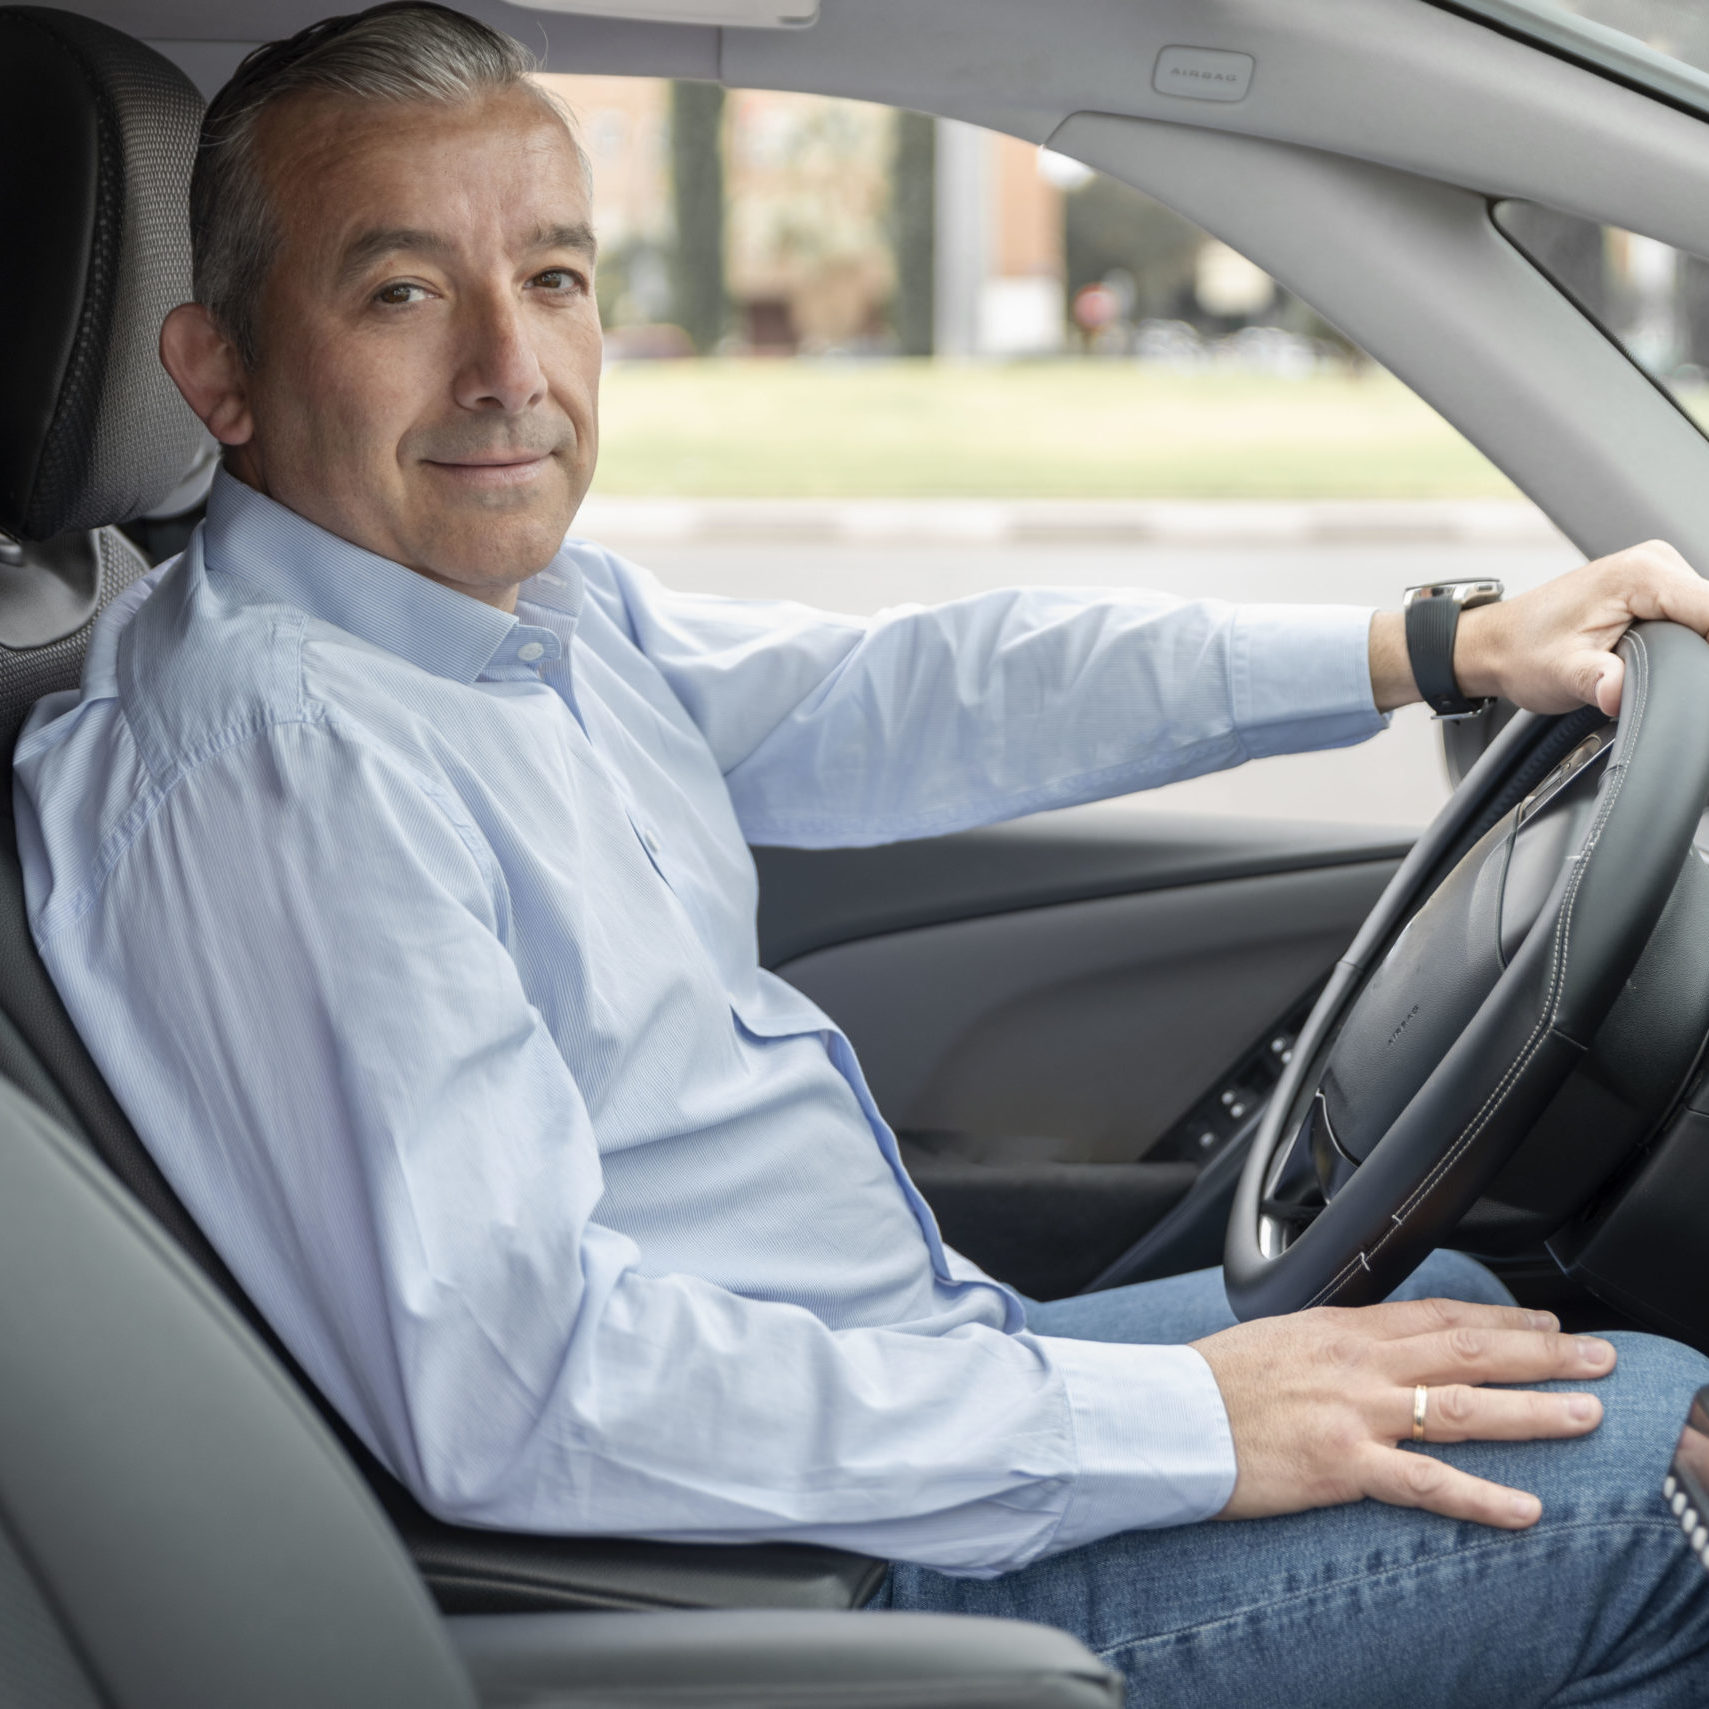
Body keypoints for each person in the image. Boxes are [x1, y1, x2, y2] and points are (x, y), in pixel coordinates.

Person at [15, 5, 1709, 1701]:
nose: (508, 370)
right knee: (1668, 1490)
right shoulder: (292, 766)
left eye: (551, 277)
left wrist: (1427, 644)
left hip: (874, 1405)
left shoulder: (497, 622)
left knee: (1496, 1318)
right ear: (216, 373)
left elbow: (906, 690)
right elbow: (520, 1388)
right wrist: (1190, 1419)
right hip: (786, 1581)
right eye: (401, 291)